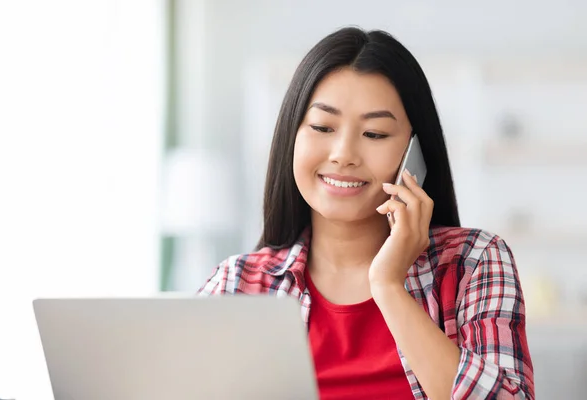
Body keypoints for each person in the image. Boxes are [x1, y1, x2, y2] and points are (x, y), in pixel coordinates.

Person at [197, 26, 535, 400]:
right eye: (323, 127)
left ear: (416, 152)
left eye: (374, 134)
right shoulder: (239, 285)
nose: (343, 153)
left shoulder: (473, 261)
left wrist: (388, 285)